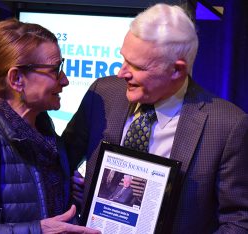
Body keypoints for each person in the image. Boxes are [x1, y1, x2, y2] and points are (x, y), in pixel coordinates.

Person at [62, 3, 248, 233]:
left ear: (177, 70)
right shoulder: (103, 93)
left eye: (137, 66)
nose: (122, 73)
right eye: (123, 58)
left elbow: (238, 220)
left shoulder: (227, 125)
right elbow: (60, 161)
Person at [0, 18, 99, 234]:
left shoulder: (45, 134)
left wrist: (73, 195)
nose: (64, 80)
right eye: (55, 70)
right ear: (17, 78)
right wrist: (37, 230)